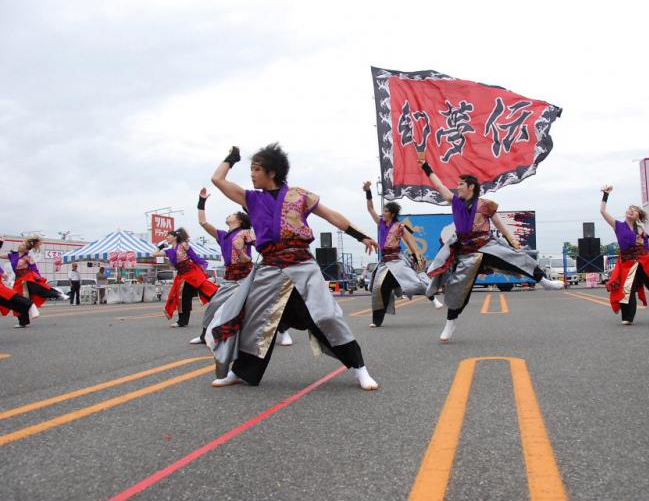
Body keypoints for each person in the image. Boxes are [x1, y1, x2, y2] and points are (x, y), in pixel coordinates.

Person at [206, 143, 379, 390]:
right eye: (251, 169)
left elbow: (331, 215)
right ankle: (241, 372)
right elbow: (218, 179)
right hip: (269, 268)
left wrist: (361, 236)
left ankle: (360, 369)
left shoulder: (300, 195)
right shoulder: (251, 199)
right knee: (255, 321)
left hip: (302, 264)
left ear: (272, 172)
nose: (252, 174)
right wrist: (231, 158)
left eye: (256, 169)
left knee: (327, 316)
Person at [418, 158, 564, 343]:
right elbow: (439, 186)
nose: (457, 187)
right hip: (466, 253)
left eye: (461, 184)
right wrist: (426, 168)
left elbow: (499, 224)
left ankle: (544, 281)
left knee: (518, 258)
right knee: (457, 289)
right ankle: (450, 323)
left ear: (471, 187)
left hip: (486, 246)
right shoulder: (455, 202)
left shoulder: (485, 204)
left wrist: (512, 241)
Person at [190, 187, 294, 353]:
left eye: (232, 214)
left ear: (238, 220)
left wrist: (246, 253)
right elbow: (203, 222)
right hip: (230, 276)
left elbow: (260, 247)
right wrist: (201, 201)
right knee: (215, 304)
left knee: (261, 305)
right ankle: (204, 335)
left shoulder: (246, 232)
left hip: (247, 275)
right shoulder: (222, 235)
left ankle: (283, 331)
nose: (228, 216)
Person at [362, 181, 443, 328]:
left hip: (397, 261)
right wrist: (368, 192)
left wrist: (417, 258)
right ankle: (377, 320)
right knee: (379, 289)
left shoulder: (400, 227)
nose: (383, 213)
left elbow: (411, 243)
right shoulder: (381, 223)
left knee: (414, 281)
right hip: (385, 262)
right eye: (383, 211)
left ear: (392, 214)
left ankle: (433, 299)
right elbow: (370, 208)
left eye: (386, 211)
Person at [600, 185, 649, 325]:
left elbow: (646, 248)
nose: (631, 211)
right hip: (627, 263)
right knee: (627, 289)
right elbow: (602, 211)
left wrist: (642, 241)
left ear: (638, 216)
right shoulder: (618, 225)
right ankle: (627, 317)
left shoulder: (640, 229)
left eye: (634, 210)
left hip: (643, 260)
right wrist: (606, 195)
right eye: (629, 209)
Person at [153, 228, 219, 328]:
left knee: (206, 292)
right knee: (182, 298)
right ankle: (182, 321)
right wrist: (160, 247)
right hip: (181, 276)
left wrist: (202, 266)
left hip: (191, 274)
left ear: (175, 237)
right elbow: (154, 254)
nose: (166, 237)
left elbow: (194, 257)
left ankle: (221, 305)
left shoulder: (183, 245)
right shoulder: (169, 251)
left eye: (168, 235)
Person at [0, 236, 68, 311]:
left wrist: (39, 277)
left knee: (38, 289)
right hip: (18, 279)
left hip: (27, 276)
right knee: (19, 297)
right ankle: (26, 315)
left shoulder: (28, 257)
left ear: (26, 249)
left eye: (23, 245)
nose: (20, 245)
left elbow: (34, 268)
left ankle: (58, 294)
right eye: (21, 244)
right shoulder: (12, 255)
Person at [0, 258, 38, 328]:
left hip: (23, 282)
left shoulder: (26, 257)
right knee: (8, 302)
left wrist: (2, 273)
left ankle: (29, 304)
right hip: (18, 282)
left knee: (9, 296)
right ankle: (24, 319)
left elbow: (33, 268)